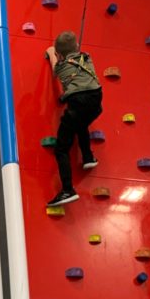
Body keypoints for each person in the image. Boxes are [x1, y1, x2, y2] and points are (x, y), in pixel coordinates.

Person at [45, 30, 103, 207]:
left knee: (61, 149)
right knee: (82, 123)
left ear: (59, 54)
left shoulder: (61, 67)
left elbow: (55, 69)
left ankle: (67, 190)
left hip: (77, 104)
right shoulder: (87, 58)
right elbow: (79, 74)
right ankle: (88, 157)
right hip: (96, 100)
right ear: (77, 47)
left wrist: (50, 52)